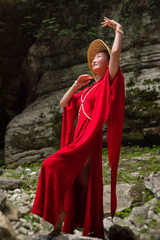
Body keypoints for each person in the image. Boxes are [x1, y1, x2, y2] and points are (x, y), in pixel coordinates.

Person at [31, 17, 125, 239]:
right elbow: (64, 103)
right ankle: (86, 223)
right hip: (79, 141)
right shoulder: (87, 90)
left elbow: (115, 55)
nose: (94, 60)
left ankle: (60, 214)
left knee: (49, 164)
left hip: (87, 139)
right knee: (82, 183)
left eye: (98, 57)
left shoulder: (106, 83)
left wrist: (119, 30)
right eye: (92, 59)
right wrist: (76, 84)